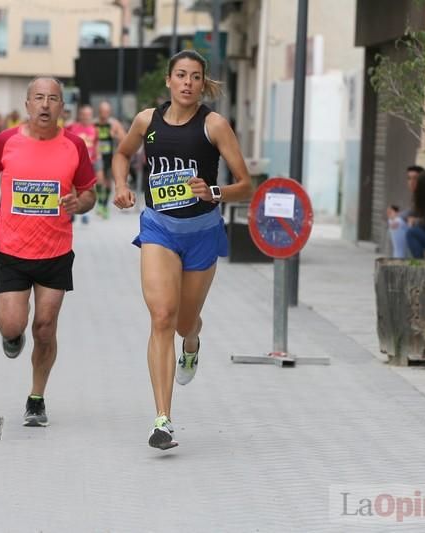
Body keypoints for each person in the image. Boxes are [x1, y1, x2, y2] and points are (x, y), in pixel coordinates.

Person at [112, 50, 253, 450]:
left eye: (195, 76)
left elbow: (247, 183)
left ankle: (192, 343)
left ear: (203, 83)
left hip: (202, 232)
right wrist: (121, 186)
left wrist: (214, 191)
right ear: (169, 81)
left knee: (184, 322)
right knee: (161, 316)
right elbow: (122, 153)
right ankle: (163, 420)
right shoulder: (146, 121)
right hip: (159, 228)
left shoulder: (214, 125)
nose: (188, 82)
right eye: (181, 75)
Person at [0, 77, 97, 427]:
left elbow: (90, 193)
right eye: (38, 98)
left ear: (61, 107)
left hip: (55, 251)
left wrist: (79, 203)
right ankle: (13, 334)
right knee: (12, 324)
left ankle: (37, 397)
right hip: (11, 249)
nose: (45, 105)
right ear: (27, 104)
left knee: (45, 327)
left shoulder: (74, 145)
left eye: (52, 99)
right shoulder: (5, 141)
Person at [66, 105, 98, 224]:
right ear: (80, 115)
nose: (86, 117)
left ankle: (86, 214)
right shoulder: (72, 127)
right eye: (84, 114)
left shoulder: (95, 129)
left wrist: (98, 157)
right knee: (73, 188)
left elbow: (97, 144)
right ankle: (72, 211)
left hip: (90, 163)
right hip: (74, 162)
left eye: (88, 115)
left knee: (89, 190)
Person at [94, 101, 126, 219]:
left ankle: (104, 205)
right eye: (102, 111)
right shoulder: (95, 123)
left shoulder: (114, 124)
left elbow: (124, 139)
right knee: (99, 179)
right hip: (98, 156)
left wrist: (115, 135)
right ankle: (99, 202)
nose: (104, 114)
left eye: (106, 111)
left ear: (109, 112)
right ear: (99, 111)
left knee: (108, 182)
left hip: (110, 156)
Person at [388, 165, 423, 258]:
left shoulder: (424, 195)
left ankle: (399, 258)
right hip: (415, 225)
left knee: (397, 222)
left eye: (415, 178)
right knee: (394, 221)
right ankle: (399, 257)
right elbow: (410, 212)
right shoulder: (415, 195)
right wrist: (396, 215)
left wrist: (398, 216)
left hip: (424, 228)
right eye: (409, 178)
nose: (411, 182)